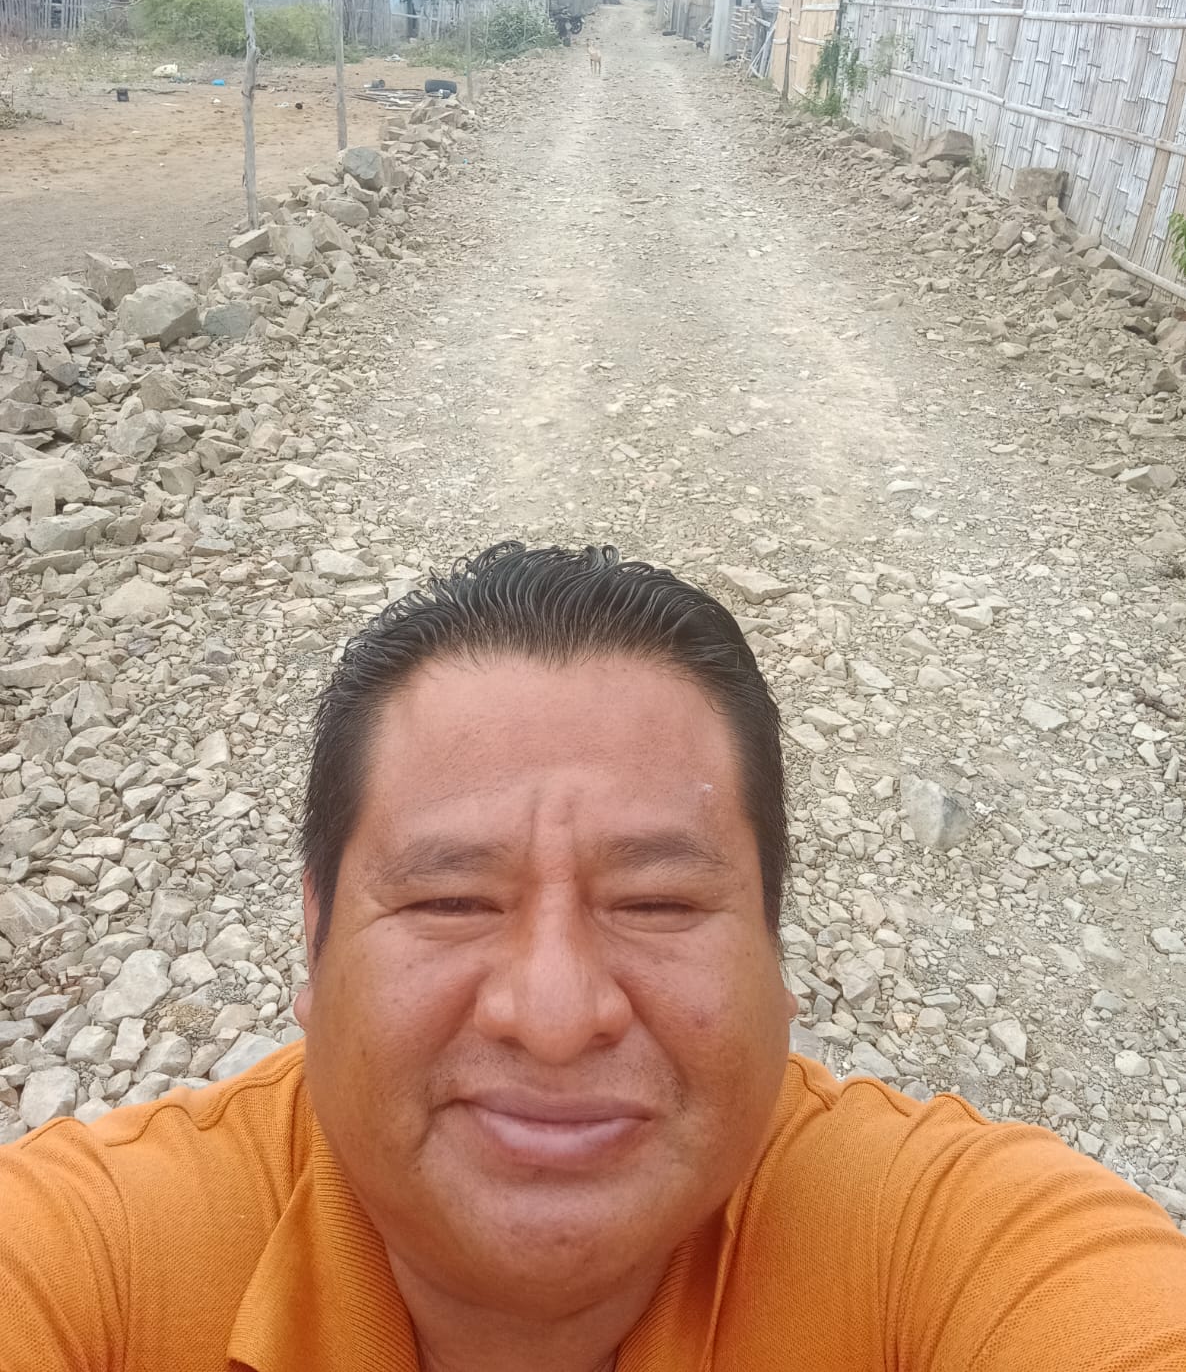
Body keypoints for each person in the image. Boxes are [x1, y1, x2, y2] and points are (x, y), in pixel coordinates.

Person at [1, 541, 1184, 1372]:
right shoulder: (94, 1266)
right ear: (312, 943)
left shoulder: (949, 1250)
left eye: (658, 902)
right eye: (452, 901)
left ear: (777, 956)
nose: (557, 1015)